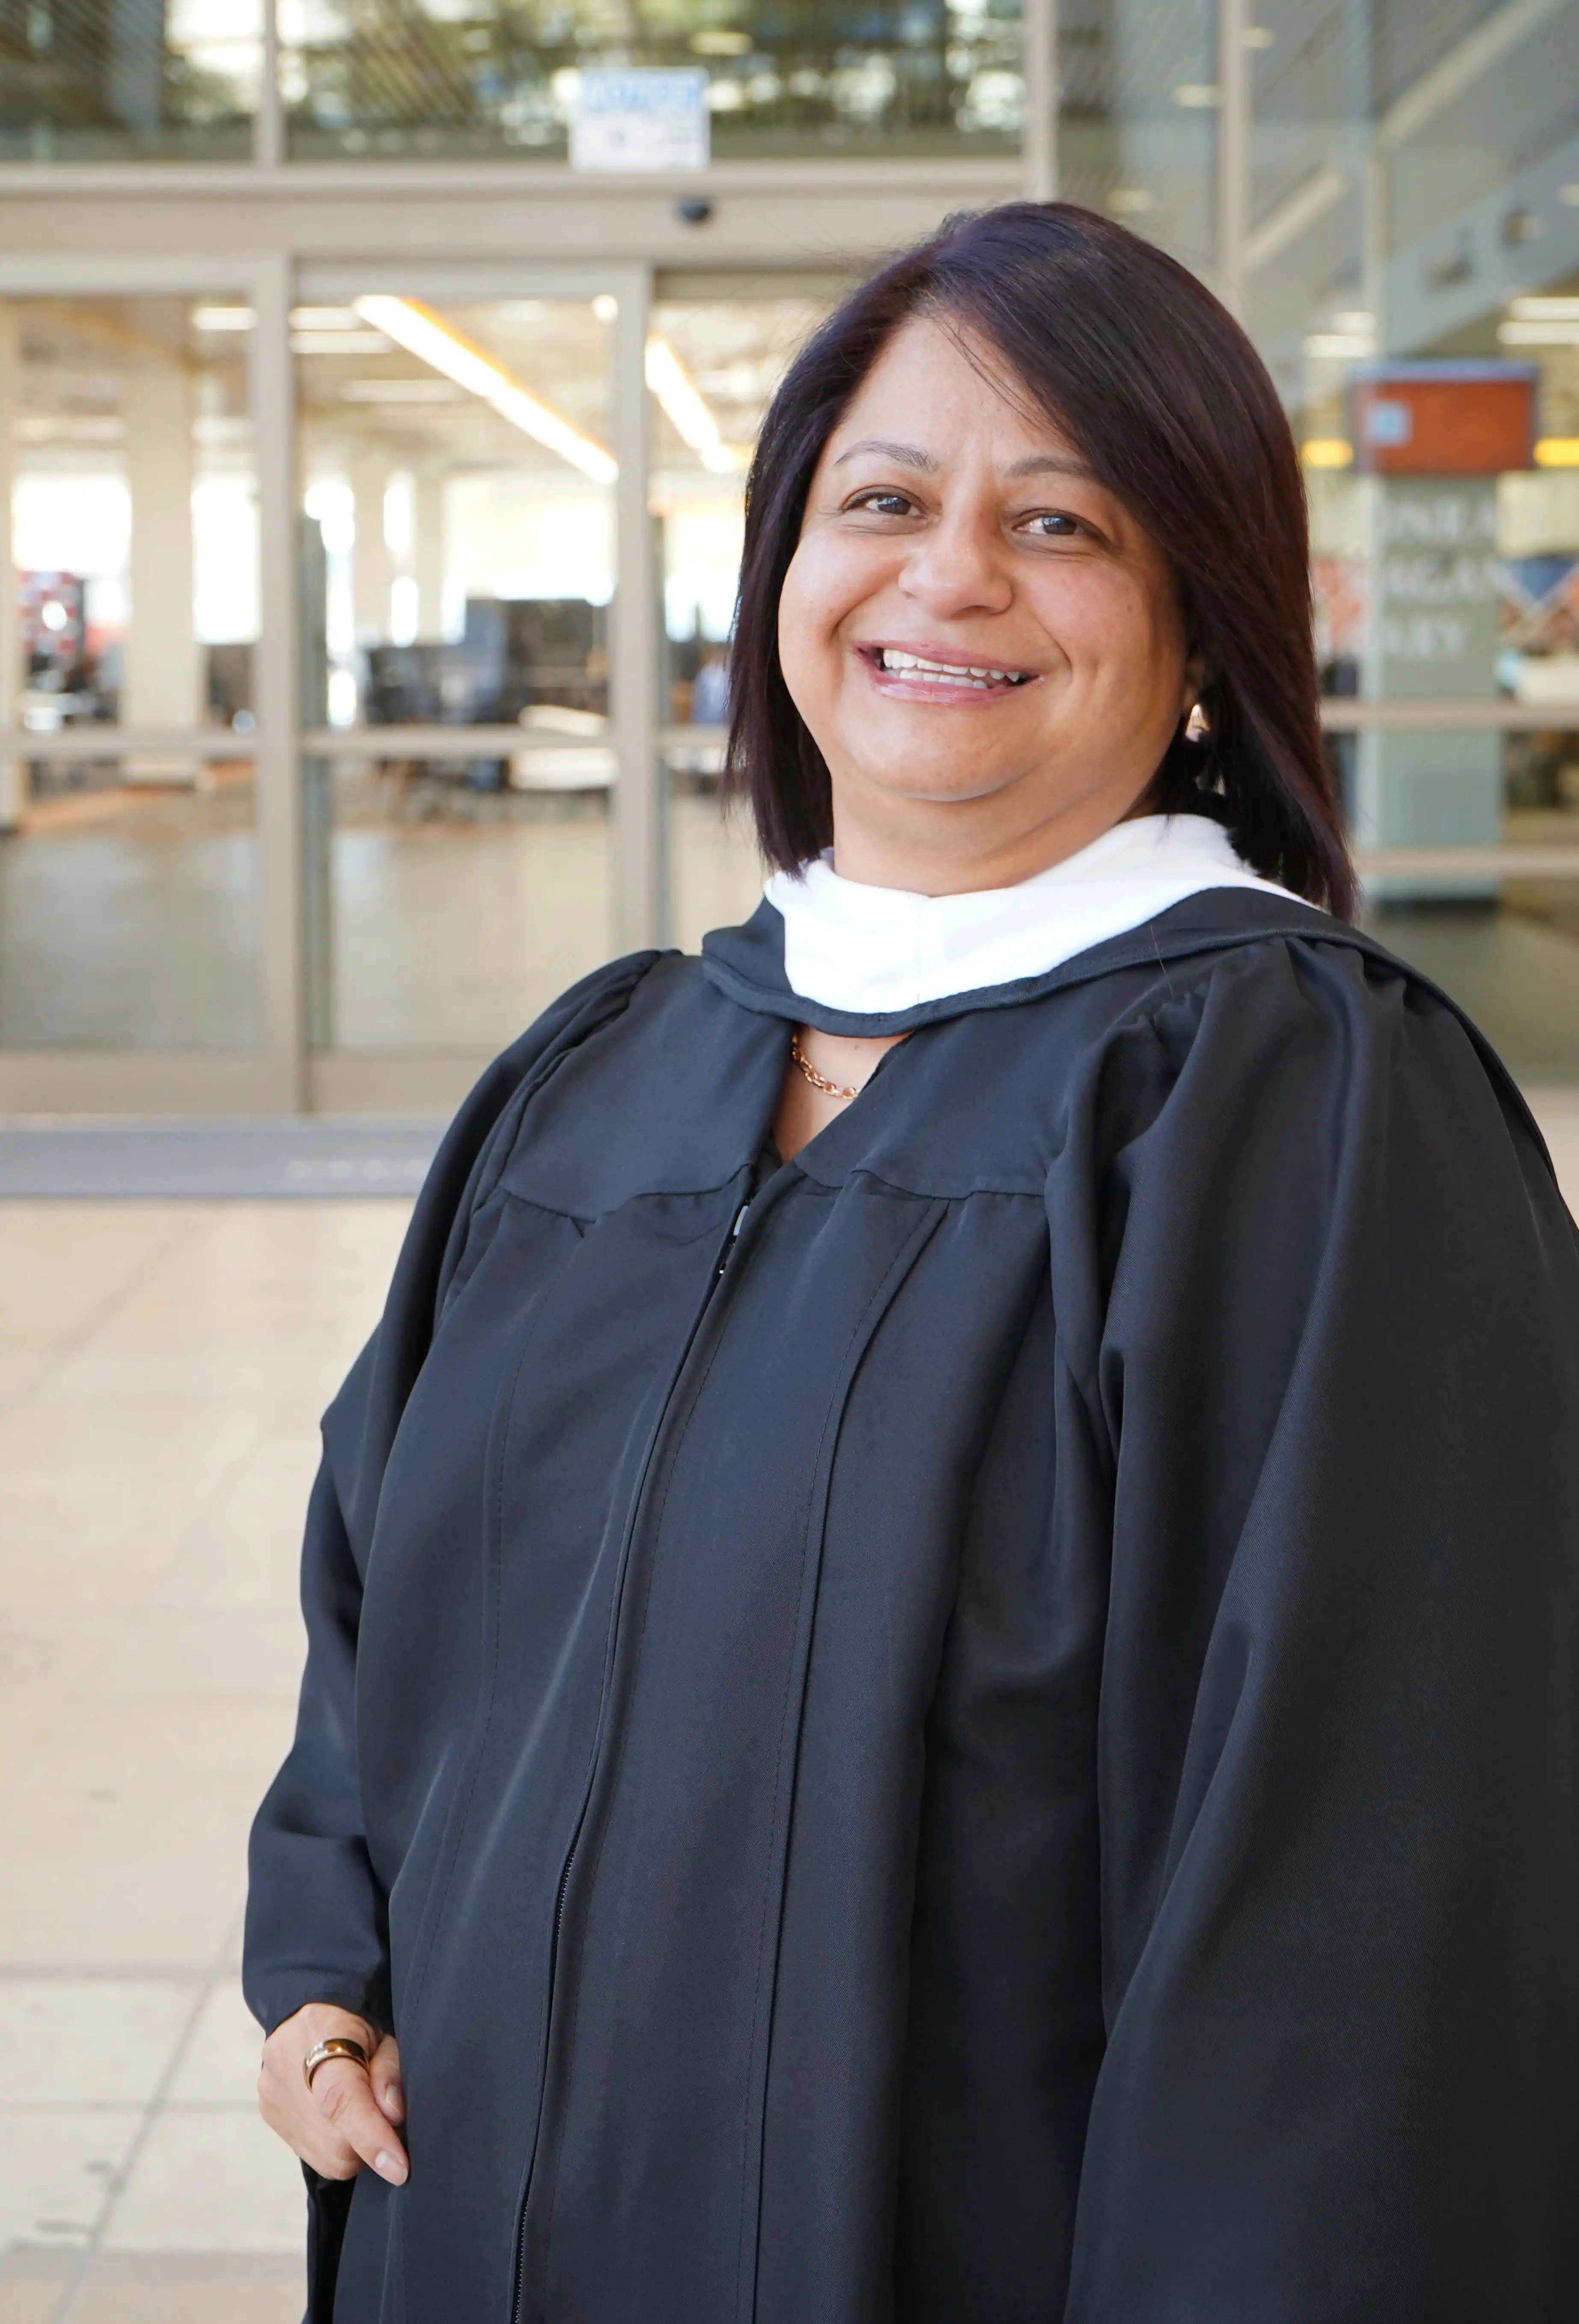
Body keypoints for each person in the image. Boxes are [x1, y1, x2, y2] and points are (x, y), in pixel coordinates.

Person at [246, 203, 1579, 2322]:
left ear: (1202, 616)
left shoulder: (1297, 1109)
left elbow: (1356, 1910)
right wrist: (325, 1965)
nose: (948, 572)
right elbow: (381, 1594)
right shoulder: (601, 1073)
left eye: (1059, 520)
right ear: (788, 564)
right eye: (882, 498)